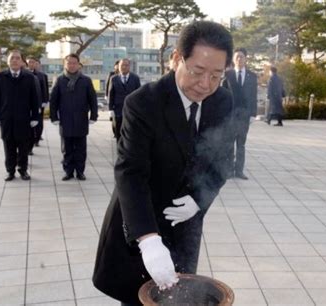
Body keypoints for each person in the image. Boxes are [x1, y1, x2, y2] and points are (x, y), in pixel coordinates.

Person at [93, 20, 234, 306]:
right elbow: (130, 173)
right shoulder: (143, 103)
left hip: (185, 228)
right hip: (142, 225)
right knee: (138, 299)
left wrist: (198, 199)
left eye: (216, 75)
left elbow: (221, 161)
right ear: (176, 59)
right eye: (198, 71)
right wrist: (148, 240)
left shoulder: (223, 101)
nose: (206, 84)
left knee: (180, 299)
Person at [0, 50, 39, 181]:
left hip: (24, 119)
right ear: (8, 61)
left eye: (17, 58)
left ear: (22, 62)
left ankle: (23, 170)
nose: (15, 60)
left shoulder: (29, 77)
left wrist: (35, 117)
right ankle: (10, 171)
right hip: (6, 119)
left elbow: (34, 99)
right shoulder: (1, 77)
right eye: (12, 58)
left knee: (23, 147)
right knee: (9, 147)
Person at [49, 53, 98, 181]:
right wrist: (54, 117)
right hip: (65, 120)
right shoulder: (59, 80)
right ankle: (68, 171)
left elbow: (92, 99)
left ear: (78, 65)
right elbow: (53, 100)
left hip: (81, 119)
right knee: (67, 148)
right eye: (69, 63)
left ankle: (80, 171)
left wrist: (93, 115)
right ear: (65, 64)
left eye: (74, 63)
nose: (71, 65)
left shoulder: (86, 80)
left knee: (81, 148)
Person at [222, 48, 258, 180]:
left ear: (246, 59)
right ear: (233, 59)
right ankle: (229, 170)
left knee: (241, 144)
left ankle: (239, 171)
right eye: (237, 57)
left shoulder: (252, 76)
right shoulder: (228, 75)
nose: (239, 59)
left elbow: (253, 96)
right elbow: (223, 95)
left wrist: (253, 114)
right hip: (230, 115)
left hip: (244, 115)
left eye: (241, 57)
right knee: (230, 143)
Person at [108, 58, 141, 141]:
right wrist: (110, 109)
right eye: (122, 65)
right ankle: (119, 150)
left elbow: (139, 95)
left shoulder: (135, 78)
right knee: (118, 133)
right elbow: (111, 94)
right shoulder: (114, 79)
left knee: (131, 133)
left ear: (129, 66)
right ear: (118, 67)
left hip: (132, 111)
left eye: (126, 65)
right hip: (118, 110)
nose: (124, 67)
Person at [26, 56, 49, 147]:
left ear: (36, 64)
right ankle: (30, 142)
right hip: (27, 103)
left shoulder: (42, 75)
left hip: (39, 103)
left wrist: (45, 100)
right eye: (29, 62)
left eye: (33, 62)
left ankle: (37, 138)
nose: (31, 64)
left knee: (39, 122)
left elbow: (45, 89)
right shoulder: (24, 74)